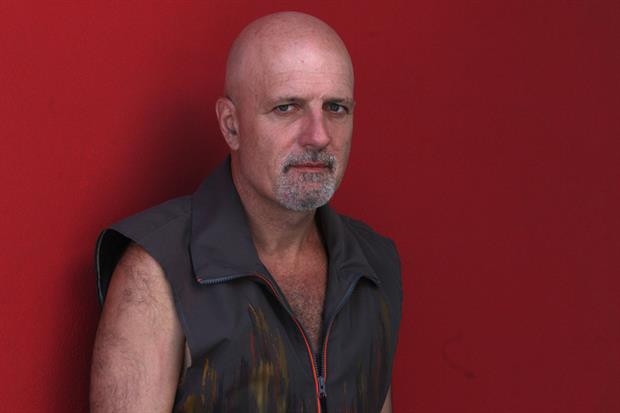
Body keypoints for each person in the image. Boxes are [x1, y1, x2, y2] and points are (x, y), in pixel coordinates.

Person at [90, 11, 402, 413]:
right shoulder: (157, 272)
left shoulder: (374, 265)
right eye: (287, 107)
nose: (319, 135)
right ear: (231, 125)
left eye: (336, 108)